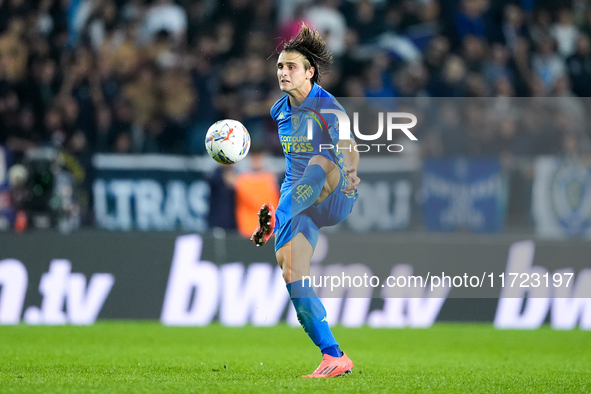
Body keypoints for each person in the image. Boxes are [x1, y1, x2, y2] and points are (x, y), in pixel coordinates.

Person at [251, 24, 360, 378]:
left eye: (291, 67)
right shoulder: (279, 111)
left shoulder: (329, 109)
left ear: (310, 72)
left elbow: (344, 153)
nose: (283, 72)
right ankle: (334, 355)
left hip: (333, 191)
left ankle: (277, 218)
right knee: (290, 269)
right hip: (296, 198)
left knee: (320, 163)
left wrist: (351, 171)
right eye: (280, 67)